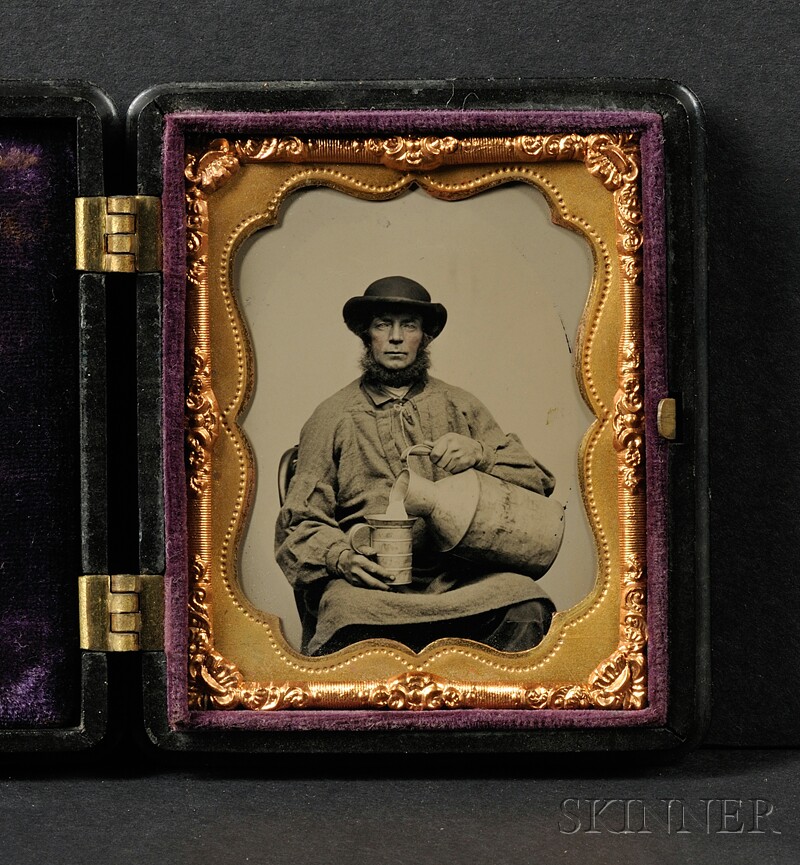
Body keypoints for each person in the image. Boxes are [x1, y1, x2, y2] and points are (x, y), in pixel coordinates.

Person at [275, 276, 560, 656]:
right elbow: (299, 520)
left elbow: (537, 484)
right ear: (366, 335)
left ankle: (486, 717)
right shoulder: (332, 417)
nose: (395, 337)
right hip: (373, 583)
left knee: (527, 604)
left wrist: (482, 454)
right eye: (383, 325)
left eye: (408, 325)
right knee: (344, 614)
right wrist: (341, 558)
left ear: (424, 337)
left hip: (460, 578)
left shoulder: (461, 405)